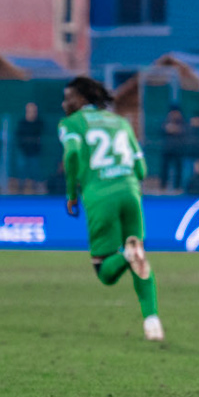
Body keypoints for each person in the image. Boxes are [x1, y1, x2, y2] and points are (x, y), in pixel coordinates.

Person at [59, 76, 164, 342]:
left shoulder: (71, 124)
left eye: (68, 97)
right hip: (130, 192)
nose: (64, 104)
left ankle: (126, 255)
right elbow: (142, 169)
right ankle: (152, 323)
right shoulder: (121, 122)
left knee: (104, 271)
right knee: (139, 255)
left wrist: (72, 193)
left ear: (82, 99)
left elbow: (71, 155)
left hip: (100, 194)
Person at [13, 101, 46, 194]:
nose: (32, 112)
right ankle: (20, 189)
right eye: (30, 110)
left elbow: (40, 136)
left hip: (35, 151)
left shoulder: (39, 123)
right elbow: (19, 136)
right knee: (21, 169)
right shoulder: (22, 123)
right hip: (23, 151)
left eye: (34, 110)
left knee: (36, 170)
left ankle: (37, 188)